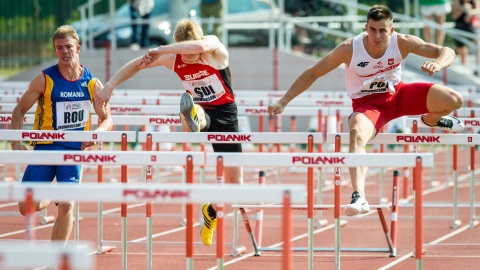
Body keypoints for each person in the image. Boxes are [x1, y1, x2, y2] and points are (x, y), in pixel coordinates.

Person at [268, 5, 464, 216]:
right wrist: (284, 100)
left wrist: (438, 64)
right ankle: (359, 196)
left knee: (454, 100)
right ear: (366, 27)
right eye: (372, 30)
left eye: (382, 30)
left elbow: (447, 51)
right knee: (356, 134)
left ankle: (432, 120)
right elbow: (313, 73)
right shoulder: (349, 49)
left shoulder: (403, 42)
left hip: (399, 95)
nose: (377, 36)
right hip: (369, 105)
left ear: (391, 30)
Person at [93, 19, 243, 246]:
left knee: (236, 185)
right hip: (204, 110)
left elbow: (199, 48)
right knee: (199, 115)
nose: (188, 58)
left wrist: (161, 49)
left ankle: (210, 211)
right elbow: (136, 64)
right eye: (184, 53)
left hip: (226, 114)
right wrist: (110, 86)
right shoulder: (174, 59)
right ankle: (192, 117)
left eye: (188, 53)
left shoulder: (213, 48)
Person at [10, 25, 113, 243]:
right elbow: (18, 111)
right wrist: (15, 141)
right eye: (59, 48)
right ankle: (48, 197)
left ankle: (57, 260)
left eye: (68, 46)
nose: (64, 51)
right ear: (55, 51)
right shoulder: (44, 79)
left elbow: (108, 120)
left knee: (67, 206)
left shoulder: (92, 84)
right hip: (45, 149)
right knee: (26, 207)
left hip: (73, 153)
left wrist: (93, 136)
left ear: (78, 48)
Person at [452, 0, 479, 69]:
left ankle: (477, 66)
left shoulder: (474, 1)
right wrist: (463, 9)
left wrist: (470, 12)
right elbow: (454, 16)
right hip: (459, 27)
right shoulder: (457, 1)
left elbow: (478, 10)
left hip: (471, 27)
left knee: (477, 46)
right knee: (462, 48)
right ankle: (464, 65)